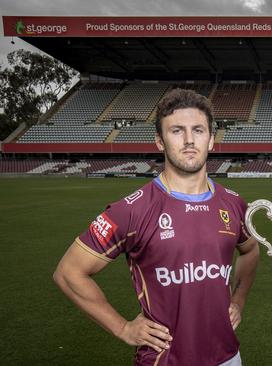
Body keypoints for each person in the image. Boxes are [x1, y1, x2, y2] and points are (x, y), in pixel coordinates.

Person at [53, 89, 259, 366]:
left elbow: (250, 250)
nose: (188, 140)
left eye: (198, 130)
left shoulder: (234, 204)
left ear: (211, 140)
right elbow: (68, 273)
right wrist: (122, 327)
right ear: (160, 142)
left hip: (229, 357)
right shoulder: (130, 210)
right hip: (165, 360)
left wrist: (239, 300)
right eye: (176, 131)